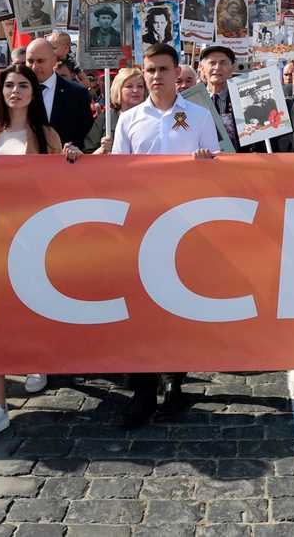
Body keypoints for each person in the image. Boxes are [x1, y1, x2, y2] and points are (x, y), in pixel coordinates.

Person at [0, 62, 79, 442]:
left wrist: (73, 157)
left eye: (22, 85)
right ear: (0, 91)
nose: (15, 91)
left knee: (30, 306)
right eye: (8, 85)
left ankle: (35, 357)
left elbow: (65, 184)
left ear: (33, 92)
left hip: (33, 236)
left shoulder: (47, 135)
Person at [112, 44, 218, 428]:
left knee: (178, 306)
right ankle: (143, 391)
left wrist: (207, 164)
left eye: (163, 69)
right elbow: (117, 176)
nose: (156, 76)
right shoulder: (129, 120)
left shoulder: (199, 116)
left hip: (186, 225)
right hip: (141, 225)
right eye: (150, 70)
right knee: (141, 311)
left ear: (178, 73)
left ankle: (175, 380)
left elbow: (218, 168)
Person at [24, 38, 94, 147]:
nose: (34, 67)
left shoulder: (77, 94)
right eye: (30, 61)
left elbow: (84, 135)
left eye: (40, 61)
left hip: (64, 161)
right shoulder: (16, 93)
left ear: (53, 60)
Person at [198, 44, 259, 153]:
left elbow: (257, 137)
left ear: (232, 68)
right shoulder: (192, 100)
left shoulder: (245, 98)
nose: (217, 67)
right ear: (202, 68)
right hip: (203, 164)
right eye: (212, 63)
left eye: (223, 63)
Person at [92, 66, 147, 153]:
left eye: (140, 86)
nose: (135, 90)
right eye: (129, 86)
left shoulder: (151, 116)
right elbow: (87, 156)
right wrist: (102, 150)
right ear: (118, 89)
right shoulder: (106, 118)